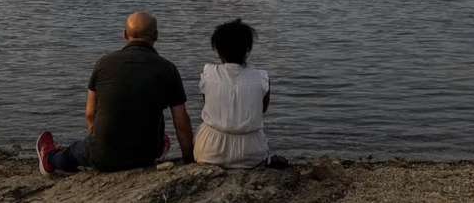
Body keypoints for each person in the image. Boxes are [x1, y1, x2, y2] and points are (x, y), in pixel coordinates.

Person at [36, 12, 194, 174]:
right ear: (156, 36)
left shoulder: (104, 63)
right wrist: (189, 160)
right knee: (161, 137)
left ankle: (49, 159)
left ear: (125, 35)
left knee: (73, 152)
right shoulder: (168, 68)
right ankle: (155, 148)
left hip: (103, 157)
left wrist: (97, 141)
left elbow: (90, 113)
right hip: (147, 155)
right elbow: (181, 123)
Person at [194, 19, 287, 169]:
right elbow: (261, 110)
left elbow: (207, 103)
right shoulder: (262, 77)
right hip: (251, 153)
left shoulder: (208, 73)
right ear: (247, 49)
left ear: (217, 49)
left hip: (209, 151)